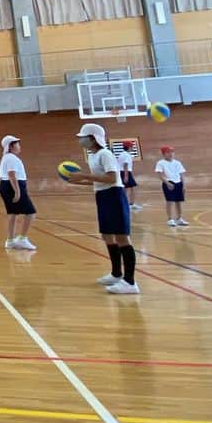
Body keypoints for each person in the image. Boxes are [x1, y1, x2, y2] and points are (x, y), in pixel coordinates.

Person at [62, 122, 138, 295]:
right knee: (107, 236)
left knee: (122, 238)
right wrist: (81, 182)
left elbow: (112, 178)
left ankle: (130, 282)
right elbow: (100, 179)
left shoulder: (105, 154)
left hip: (114, 196)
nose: (80, 140)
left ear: (93, 138)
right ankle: (117, 273)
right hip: (102, 196)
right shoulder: (92, 156)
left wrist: (83, 175)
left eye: (83, 137)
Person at [0, 134, 36, 250]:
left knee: (12, 213)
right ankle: (22, 239)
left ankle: (10, 240)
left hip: (7, 186)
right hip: (12, 186)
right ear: (10, 146)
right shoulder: (10, 158)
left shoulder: (8, 157)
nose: (19, 146)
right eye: (17, 143)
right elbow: (12, 174)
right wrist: (17, 191)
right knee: (30, 213)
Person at [155, 145, 188, 227]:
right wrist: (167, 183)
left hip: (178, 183)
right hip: (169, 183)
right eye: (168, 152)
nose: (171, 154)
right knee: (169, 201)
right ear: (164, 154)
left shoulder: (177, 163)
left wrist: (183, 185)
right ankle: (170, 219)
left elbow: (182, 174)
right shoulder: (160, 163)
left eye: (172, 152)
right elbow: (160, 175)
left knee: (178, 201)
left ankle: (179, 218)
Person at [117, 140, 140, 210]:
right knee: (127, 189)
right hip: (125, 172)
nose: (132, 148)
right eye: (131, 146)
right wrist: (126, 176)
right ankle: (127, 204)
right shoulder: (127, 155)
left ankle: (131, 203)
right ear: (129, 147)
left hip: (122, 172)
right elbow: (125, 165)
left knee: (131, 188)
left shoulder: (121, 154)